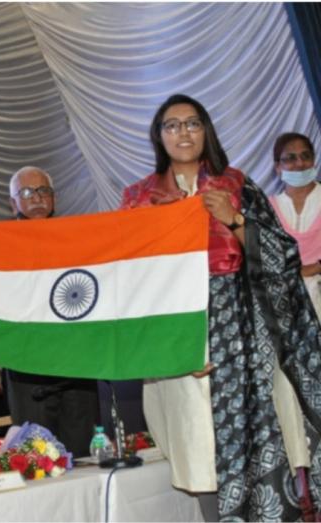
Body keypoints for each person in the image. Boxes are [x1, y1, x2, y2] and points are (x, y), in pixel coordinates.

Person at [121, 93, 321, 521]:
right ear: (159, 136)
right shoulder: (138, 196)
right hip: (178, 332)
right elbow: (130, 278)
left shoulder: (235, 183)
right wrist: (175, 347)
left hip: (243, 332)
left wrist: (236, 220)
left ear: (206, 130)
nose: (183, 132)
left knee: (254, 436)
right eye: (171, 125)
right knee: (199, 443)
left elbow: (284, 257)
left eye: (192, 123)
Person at [2, 166, 99, 458]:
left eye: (44, 191)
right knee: (37, 457)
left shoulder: (76, 239)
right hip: (27, 365)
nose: (37, 198)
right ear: (13, 203)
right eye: (27, 192)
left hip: (75, 362)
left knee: (83, 455)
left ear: (54, 199)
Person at [269, 132, 321, 319]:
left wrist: (314, 268)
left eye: (305, 156)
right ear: (278, 168)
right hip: (286, 302)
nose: (299, 163)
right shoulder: (268, 208)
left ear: (313, 161)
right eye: (290, 158)